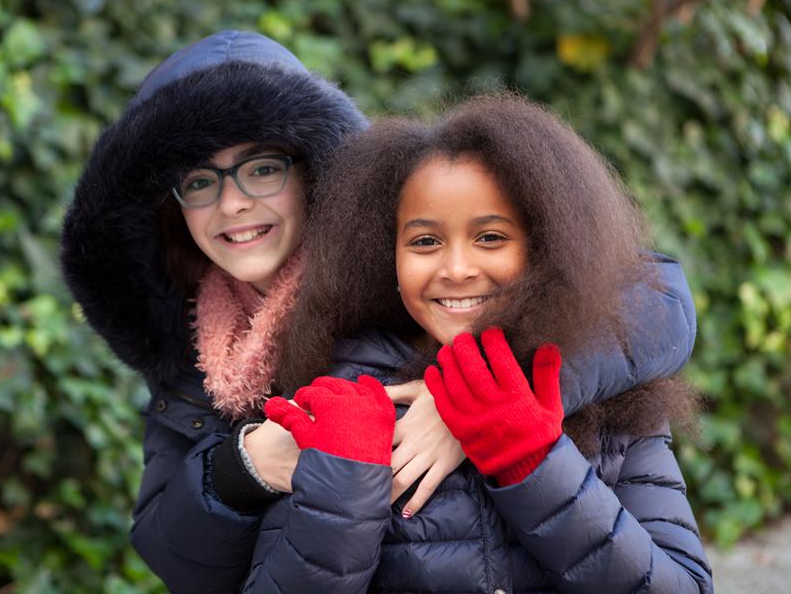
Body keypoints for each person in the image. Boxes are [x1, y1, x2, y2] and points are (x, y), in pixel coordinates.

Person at [60, 30, 698, 593]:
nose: (232, 205)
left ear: (315, 172)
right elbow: (178, 557)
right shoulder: (191, 349)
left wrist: (472, 394)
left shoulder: (398, 288)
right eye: (200, 181)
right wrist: (252, 464)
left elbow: (644, 298)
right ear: (174, 208)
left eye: (262, 168)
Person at [244, 93, 713, 593]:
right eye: (425, 242)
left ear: (545, 245)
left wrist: (534, 461)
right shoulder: (339, 397)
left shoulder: (613, 404)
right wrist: (340, 498)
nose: (458, 269)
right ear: (385, 257)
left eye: (490, 237)